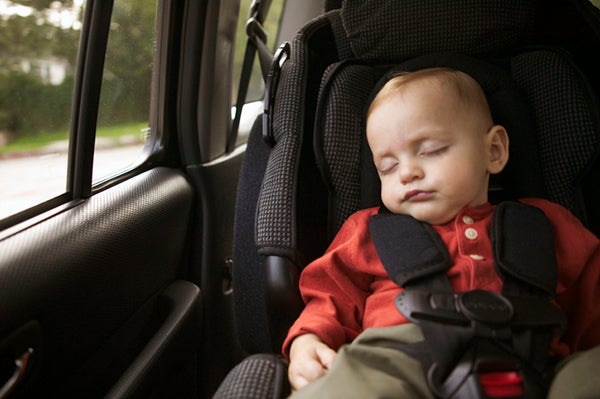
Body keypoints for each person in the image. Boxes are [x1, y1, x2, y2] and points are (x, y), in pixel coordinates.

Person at [282, 67, 600, 398]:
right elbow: (329, 297)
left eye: (431, 150)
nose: (406, 172)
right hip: (398, 358)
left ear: (493, 151)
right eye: (387, 167)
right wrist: (309, 340)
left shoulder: (545, 223)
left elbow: (592, 303)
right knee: (347, 384)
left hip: (539, 363)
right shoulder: (367, 231)